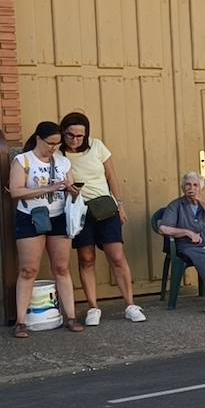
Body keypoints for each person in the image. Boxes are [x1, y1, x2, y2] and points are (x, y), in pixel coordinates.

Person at [59, 112, 146, 326]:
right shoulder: (58, 154)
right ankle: (93, 307)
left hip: (106, 207)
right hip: (79, 210)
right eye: (70, 135)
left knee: (116, 256)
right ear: (63, 133)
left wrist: (120, 204)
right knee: (86, 258)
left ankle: (130, 304)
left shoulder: (96, 146)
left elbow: (111, 176)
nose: (75, 140)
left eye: (80, 136)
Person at [9, 121, 83, 337]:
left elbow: (72, 191)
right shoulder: (22, 161)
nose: (54, 148)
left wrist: (73, 190)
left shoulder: (62, 162)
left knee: (61, 267)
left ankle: (70, 316)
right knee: (28, 269)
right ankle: (21, 321)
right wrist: (49, 187)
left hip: (58, 215)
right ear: (39, 139)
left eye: (58, 144)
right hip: (31, 216)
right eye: (50, 143)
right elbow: (15, 191)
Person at [157, 172, 205, 315]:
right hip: (190, 245)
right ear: (183, 188)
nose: (191, 188)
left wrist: (203, 202)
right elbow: (163, 228)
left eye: (195, 185)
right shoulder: (176, 206)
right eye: (188, 184)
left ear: (201, 188)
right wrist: (187, 232)